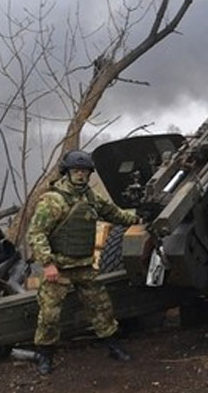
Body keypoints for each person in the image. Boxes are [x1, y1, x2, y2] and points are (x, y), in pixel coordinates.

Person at [27, 149, 141, 375]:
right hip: (58, 269)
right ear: (67, 173)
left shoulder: (91, 198)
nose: (80, 175)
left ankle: (112, 346)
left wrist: (139, 219)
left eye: (85, 172)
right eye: (76, 171)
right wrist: (48, 264)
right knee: (49, 315)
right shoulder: (53, 200)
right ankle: (45, 355)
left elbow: (115, 215)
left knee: (102, 308)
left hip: (84, 266)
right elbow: (36, 233)